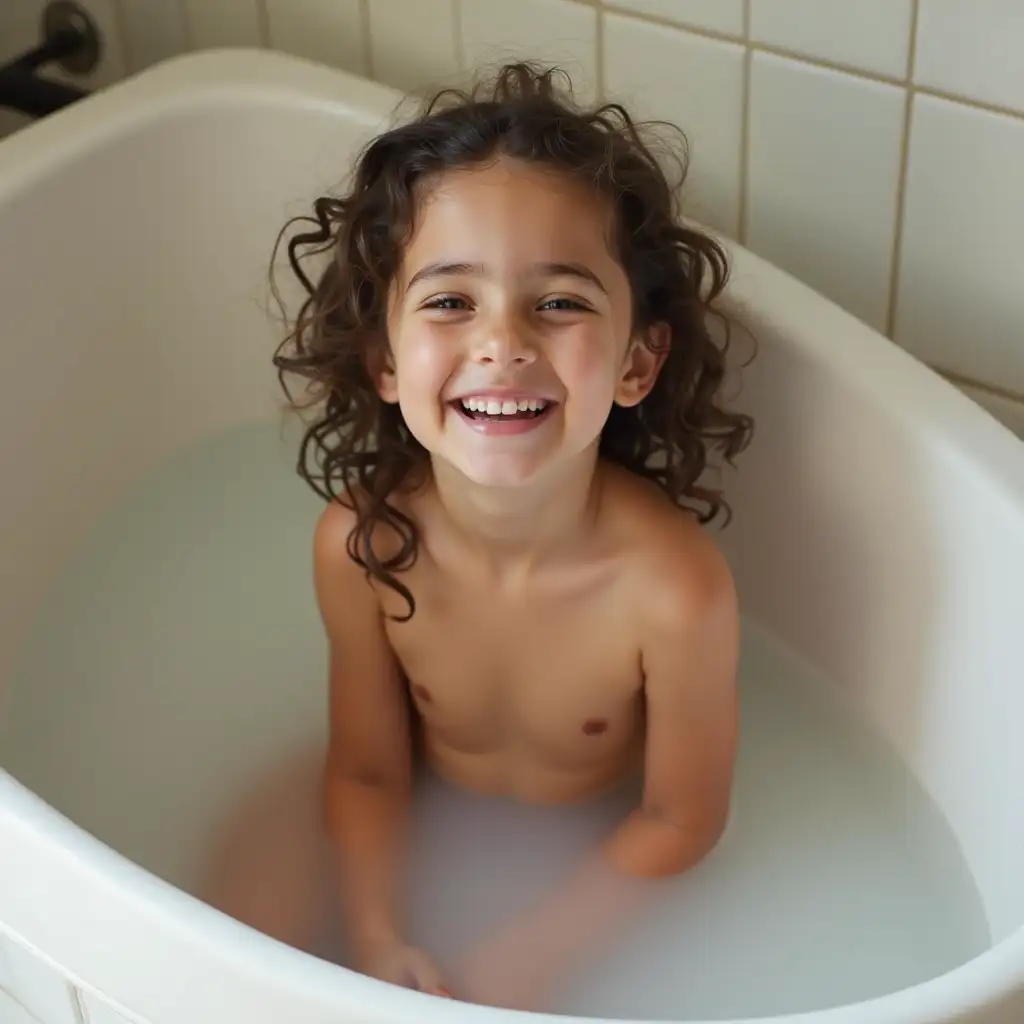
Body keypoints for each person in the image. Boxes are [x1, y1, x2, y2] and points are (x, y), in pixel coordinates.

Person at [208, 61, 754, 1011]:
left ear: (637, 360)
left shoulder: (671, 588)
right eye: (451, 302)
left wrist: (529, 958)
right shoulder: (364, 547)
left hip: (588, 846)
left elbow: (680, 819)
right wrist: (378, 934)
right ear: (384, 357)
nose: (502, 343)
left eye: (560, 302)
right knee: (230, 960)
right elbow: (369, 768)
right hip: (396, 802)